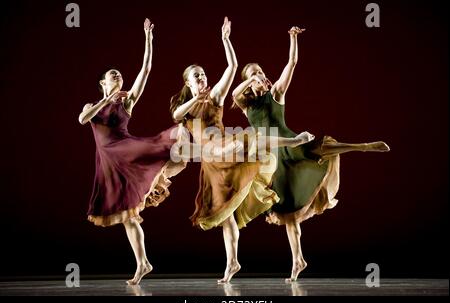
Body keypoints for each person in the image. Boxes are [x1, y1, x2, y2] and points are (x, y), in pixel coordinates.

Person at [232, 26, 390, 282]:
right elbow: (234, 93)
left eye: (260, 72)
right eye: (253, 74)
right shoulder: (247, 104)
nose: (259, 76)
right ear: (248, 82)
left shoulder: (276, 94)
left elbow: (292, 62)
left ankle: (361, 146)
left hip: (291, 146)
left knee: (321, 149)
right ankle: (298, 261)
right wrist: (250, 80)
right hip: (273, 162)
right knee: (289, 211)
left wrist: (292, 38)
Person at [170, 18, 312, 283]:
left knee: (248, 140)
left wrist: (225, 39)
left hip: (223, 147)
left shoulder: (215, 97)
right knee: (225, 215)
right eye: (196, 76)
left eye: (203, 74)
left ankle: (293, 142)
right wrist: (193, 100)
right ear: (188, 82)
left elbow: (233, 67)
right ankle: (232, 263)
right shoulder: (186, 107)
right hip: (211, 166)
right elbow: (177, 114)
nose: (202, 78)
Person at [78, 18, 186, 285]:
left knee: (161, 147)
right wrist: (105, 99)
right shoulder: (93, 104)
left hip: (126, 150)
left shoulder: (127, 100)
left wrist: (148, 38)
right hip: (109, 164)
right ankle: (143, 264)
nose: (118, 77)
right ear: (103, 82)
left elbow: (146, 70)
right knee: (128, 216)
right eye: (113, 75)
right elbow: (83, 120)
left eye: (119, 75)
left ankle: (189, 147)